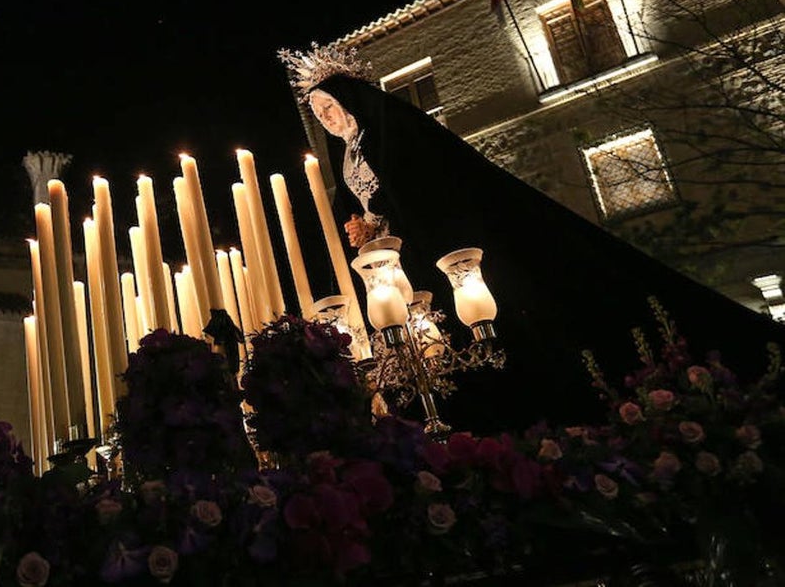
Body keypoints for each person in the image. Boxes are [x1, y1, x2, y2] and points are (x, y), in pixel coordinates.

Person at [280, 43, 782, 434]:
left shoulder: (395, 131)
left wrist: (385, 219)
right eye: (318, 109)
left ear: (352, 100)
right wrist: (365, 227)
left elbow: (424, 189)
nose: (325, 115)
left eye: (329, 104)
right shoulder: (348, 153)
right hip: (392, 260)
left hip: (426, 245)